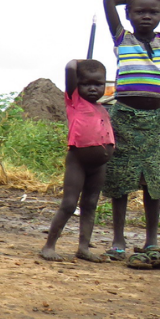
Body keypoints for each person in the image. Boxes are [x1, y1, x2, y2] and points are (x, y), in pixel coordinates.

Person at [101, 0, 160, 268]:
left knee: (155, 184)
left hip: (157, 120)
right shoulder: (122, 38)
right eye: (140, 11)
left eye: (154, 12)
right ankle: (118, 241)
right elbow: (108, 1)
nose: (147, 16)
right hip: (123, 117)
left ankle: (151, 241)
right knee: (120, 181)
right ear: (129, 15)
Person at [40, 59, 114, 262]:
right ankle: (49, 246)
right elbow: (70, 68)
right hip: (78, 161)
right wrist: (81, 62)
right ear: (77, 85)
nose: (92, 88)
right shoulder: (74, 101)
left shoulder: (102, 107)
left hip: (99, 166)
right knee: (69, 204)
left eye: (98, 84)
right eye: (86, 83)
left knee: (90, 204)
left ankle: (83, 248)